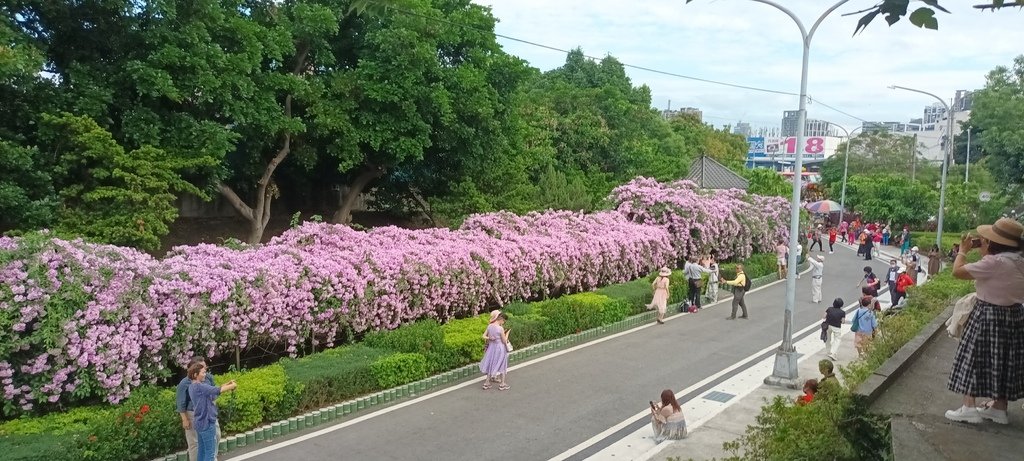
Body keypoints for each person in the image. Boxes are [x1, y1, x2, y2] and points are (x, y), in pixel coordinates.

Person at [944, 218, 1024, 425]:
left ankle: (969, 407)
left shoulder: (993, 263)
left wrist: (963, 250)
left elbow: (957, 272)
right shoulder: (1020, 261)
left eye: (985, 240)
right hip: (1014, 316)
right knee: (1005, 361)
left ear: (992, 244)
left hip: (987, 316)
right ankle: (999, 408)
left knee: (973, 359)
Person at [187, 361, 237, 461]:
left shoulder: (192, 387)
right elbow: (217, 390)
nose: (205, 374)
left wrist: (226, 384)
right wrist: (232, 386)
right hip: (207, 422)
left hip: (199, 422)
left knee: (202, 451)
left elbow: (213, 391)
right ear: (195, 374)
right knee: (210, 453)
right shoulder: (200, 386)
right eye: (203, 373)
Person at [176, 357, 220, 461]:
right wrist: (184, 419)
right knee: (195, 443)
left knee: (216, 436)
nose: (205, 369)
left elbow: (214, 391)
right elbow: (180, 402)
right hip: (193, 414)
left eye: (205, 367)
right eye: (202, 368)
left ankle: (212, 458)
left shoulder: (208, 377)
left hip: (209, 413)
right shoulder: (185, 383)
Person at [480, 311, 511, 390]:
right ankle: (502, 384)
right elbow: (504, 341)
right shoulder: (500, 328)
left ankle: (487, 383)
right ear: (500, 319)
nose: (503, 322)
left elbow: (483, 336)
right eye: (504, 320)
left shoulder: (490, 326)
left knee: (491, 363)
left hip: (492, 347)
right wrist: (507, 334)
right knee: (502, 364)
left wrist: (489, 338)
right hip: (500, 348)